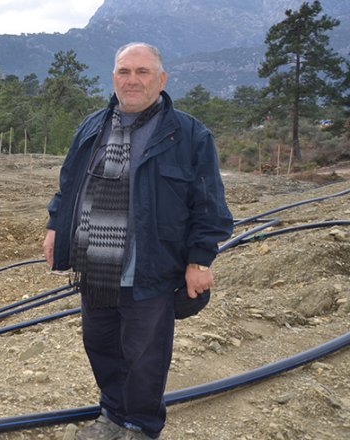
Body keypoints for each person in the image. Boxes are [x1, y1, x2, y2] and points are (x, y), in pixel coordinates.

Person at [42, 42, 233, 439]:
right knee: (101, 343)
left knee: (146, 355)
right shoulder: (92, 127)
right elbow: (68, 184)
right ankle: (112, 415)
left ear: (161, 80)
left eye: (142, 72)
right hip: (96, 263)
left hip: (151, 265)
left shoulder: (188, 134)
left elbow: (209, 203)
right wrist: (55, 226)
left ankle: (140, 426)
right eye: (124, 72)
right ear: (113, 78)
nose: (132, 80)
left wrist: (200, 260)